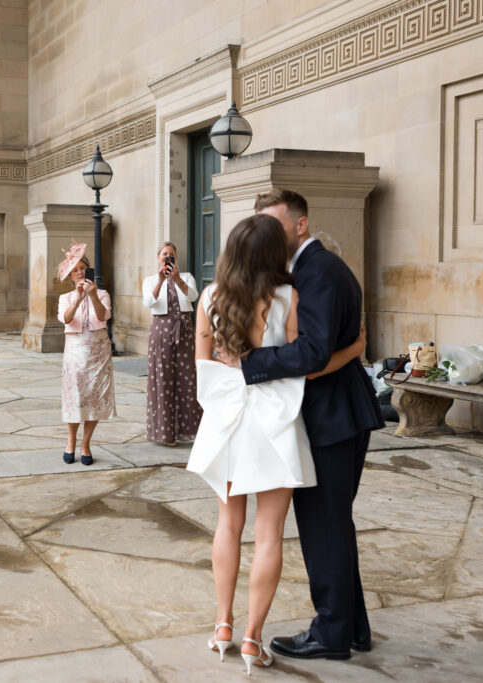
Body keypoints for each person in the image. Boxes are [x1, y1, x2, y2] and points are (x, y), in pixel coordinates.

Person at [189, 214, 365, 674]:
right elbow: (304, 366)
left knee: (228, 525)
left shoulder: (209, 297)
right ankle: (252, 639)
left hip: (227, 422)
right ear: (272, 254)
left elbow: (203, 371)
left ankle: (222, 626)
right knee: (269, 536)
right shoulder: (288, 297)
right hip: (273, 426)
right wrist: (349, 352)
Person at [235, 188, 384, 661]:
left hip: (332, 418)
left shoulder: (317, 271)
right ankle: (352, 627)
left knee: (323, 527)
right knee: (333, 524)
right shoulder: (311, 270)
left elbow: (314, 353)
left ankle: (331, 633)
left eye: (274, 225)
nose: (267, 235)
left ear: (300, 225)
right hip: (338, 414)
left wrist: (250, 361)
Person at [56, 243, 117, 465]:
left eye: (83, 268)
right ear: (71, 276)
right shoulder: (66, 297)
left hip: (99, 350)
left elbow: (103, 317)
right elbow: (66, 318)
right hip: (75, 349)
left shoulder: (102, 293)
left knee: (95, 398)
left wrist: (92, 296)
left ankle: (86, 443)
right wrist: (80, 297)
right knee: (75, 397)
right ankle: (71, 440)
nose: (81, 272)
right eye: (76, 270)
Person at [142, 242, 202, 445]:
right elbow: (149, 302)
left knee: (188, 378)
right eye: (164, 254)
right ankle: (165, 433)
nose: (168, 256)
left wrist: (178, 281)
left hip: (184, 329)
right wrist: (160, 281)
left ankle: (188, 430)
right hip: (161, 330)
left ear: (176, 258)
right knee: (163, 377)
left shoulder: (186, 277)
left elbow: (193, 296)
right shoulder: (150, 280)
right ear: (158, 257)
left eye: (171, 254)